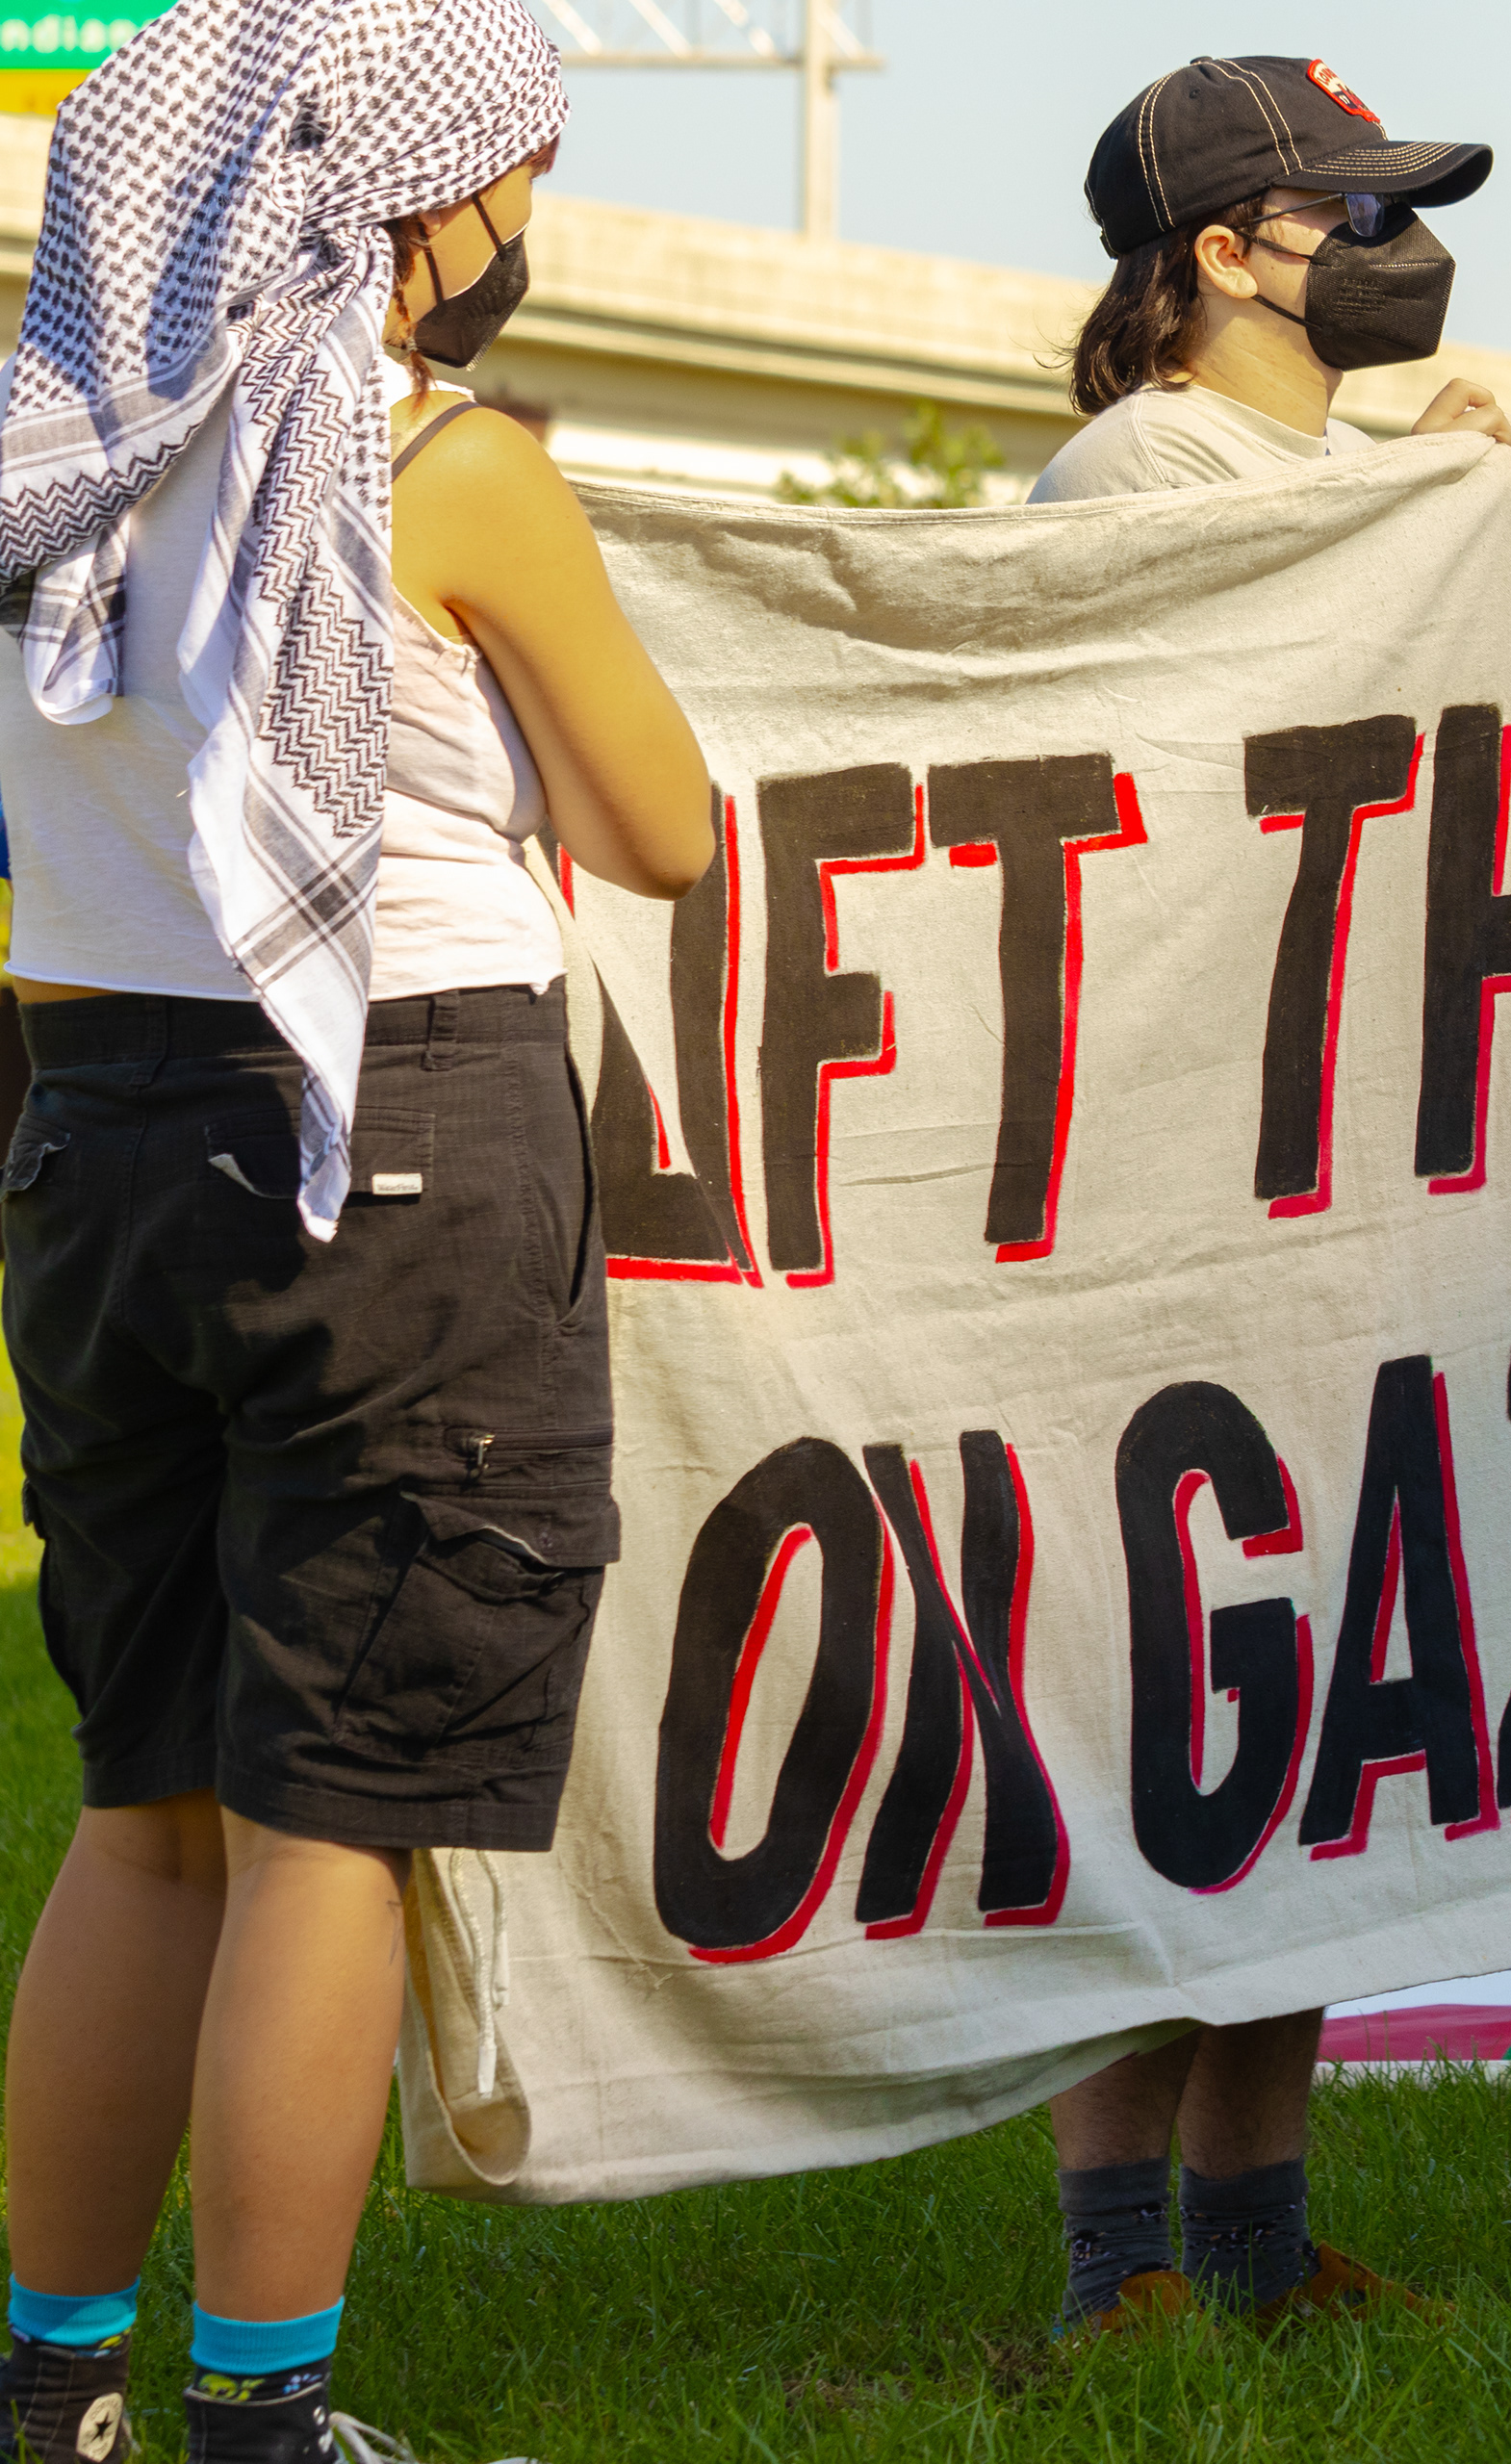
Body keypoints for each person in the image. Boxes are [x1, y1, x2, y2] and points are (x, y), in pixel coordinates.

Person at [0, 4, 714, 2459]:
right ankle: (269, 2417)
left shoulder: (44, 466)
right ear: (416, 203)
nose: (531, 219)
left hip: (86, 1129)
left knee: (150, 1794)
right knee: (333, 1815)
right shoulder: (453, 469)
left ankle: (50, 2375)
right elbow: (666, 826)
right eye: (521, 168)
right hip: (388, 1128)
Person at [1023, 53, 1508, 2344]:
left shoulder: (1310, 462)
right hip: (1167, 1174)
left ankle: (1250, 2235)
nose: (1397, 248)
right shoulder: (1143, 468)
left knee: (1306, 1718)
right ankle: (1125, 2260)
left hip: (1326, 1158)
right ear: (1222, 254)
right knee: (1167, 1722)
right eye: (1353, 210)